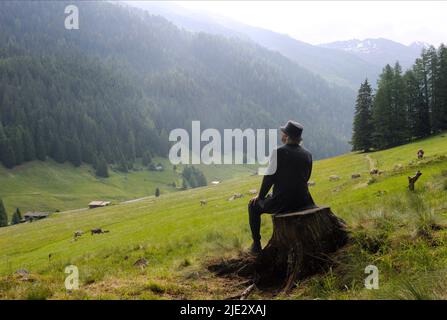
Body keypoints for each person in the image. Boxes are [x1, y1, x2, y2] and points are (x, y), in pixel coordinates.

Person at [248, 120, 315, 255]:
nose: (281, 135)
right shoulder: (307, 154)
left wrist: (260, 197)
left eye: (282, 132)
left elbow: (269, 178)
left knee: (252, 206)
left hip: (283, 203)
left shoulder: (278, 152)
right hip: (304, 201)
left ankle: (256, 244)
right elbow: (306, 178)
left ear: (286, 136)